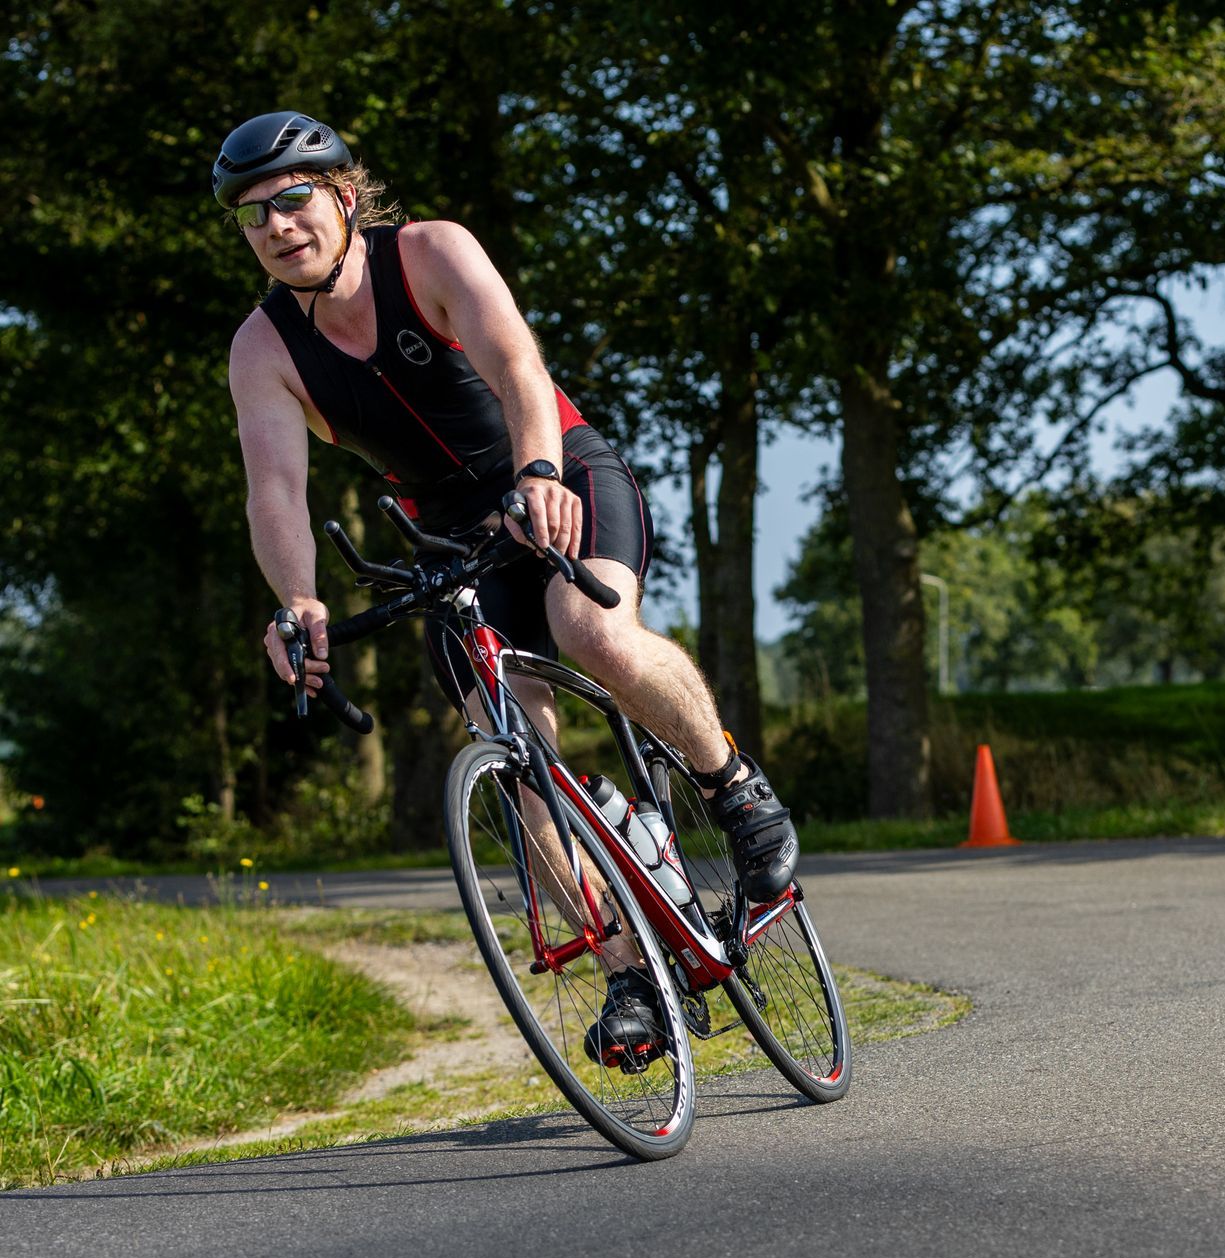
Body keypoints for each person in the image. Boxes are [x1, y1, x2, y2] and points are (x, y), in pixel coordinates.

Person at [216, 110, 796, 1068]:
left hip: (557, 466)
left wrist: (538, 473)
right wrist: (299, 599)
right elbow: (275, 489)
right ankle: (628, 974)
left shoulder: (431, 253)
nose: (277, 227)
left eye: (293, 199)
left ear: (344, 197)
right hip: (450, 534)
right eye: (252, 216)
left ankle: (731, 787)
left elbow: (518, 363)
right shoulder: (263, 348)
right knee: (513, 745)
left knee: (592, 631)